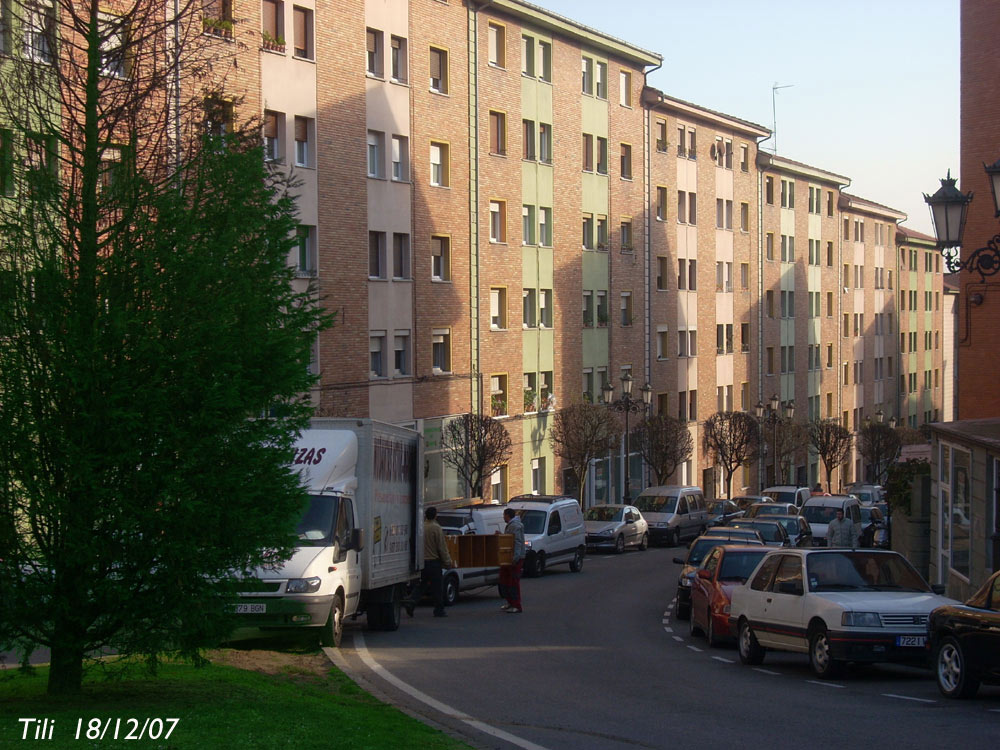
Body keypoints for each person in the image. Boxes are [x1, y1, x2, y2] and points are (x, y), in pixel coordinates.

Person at [403, 506, 453, 618]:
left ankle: (411, 602)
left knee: (421, 585)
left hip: (421, 562)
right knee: (437, 587)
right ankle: (439, 610)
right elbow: (441, 547)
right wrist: (447, 562)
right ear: (435, 516)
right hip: (434, 562)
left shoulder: (422, 527)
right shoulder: (436, 528)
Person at [499, 507, 525, 614]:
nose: (503, 517)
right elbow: (509, 539)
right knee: (505, 581)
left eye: (504, 515)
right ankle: (510, 602)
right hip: (509, 558)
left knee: (513, 582)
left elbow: (517, 542)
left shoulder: (515, 526)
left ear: (507, 515)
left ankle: (517, 605)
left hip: (514, 559)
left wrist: (515, 557)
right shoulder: (511, 525)